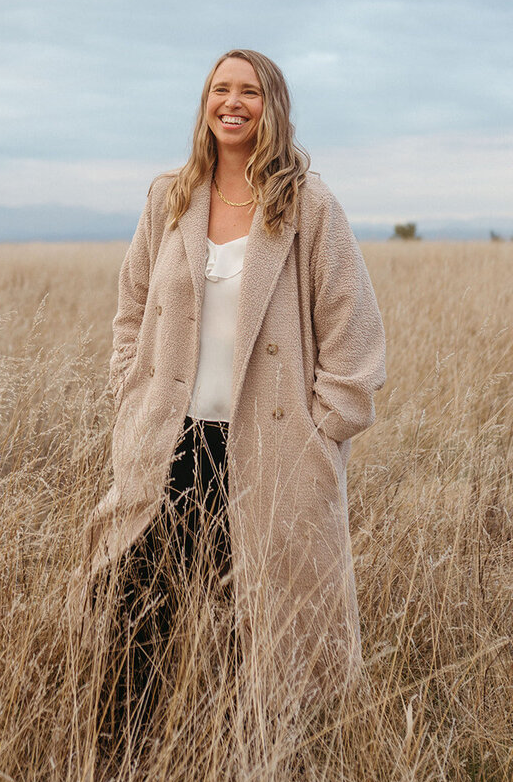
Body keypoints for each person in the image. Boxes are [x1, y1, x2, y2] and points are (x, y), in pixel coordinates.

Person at [82, 48, 386, 734]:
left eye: (248, 91)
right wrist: (129, 388)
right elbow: (131, 304)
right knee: (136, 596)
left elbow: (354, 327)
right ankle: (120, 755)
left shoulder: (309, 204)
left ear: (271, 106)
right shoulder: (170, 197)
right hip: (169, 437)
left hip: (269, 446)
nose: (232, 102)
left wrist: (324, 427)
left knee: (257, 613)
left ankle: (249, 757)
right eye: (221, 89)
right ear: (205, 102)